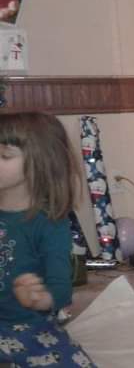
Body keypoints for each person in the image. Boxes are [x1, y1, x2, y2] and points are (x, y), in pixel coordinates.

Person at [0, 112, 96, 367]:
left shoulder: (49, 224)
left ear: (39, 163)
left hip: (27, 325)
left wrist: (38, 298)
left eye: (5, 155)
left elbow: (61, 290)